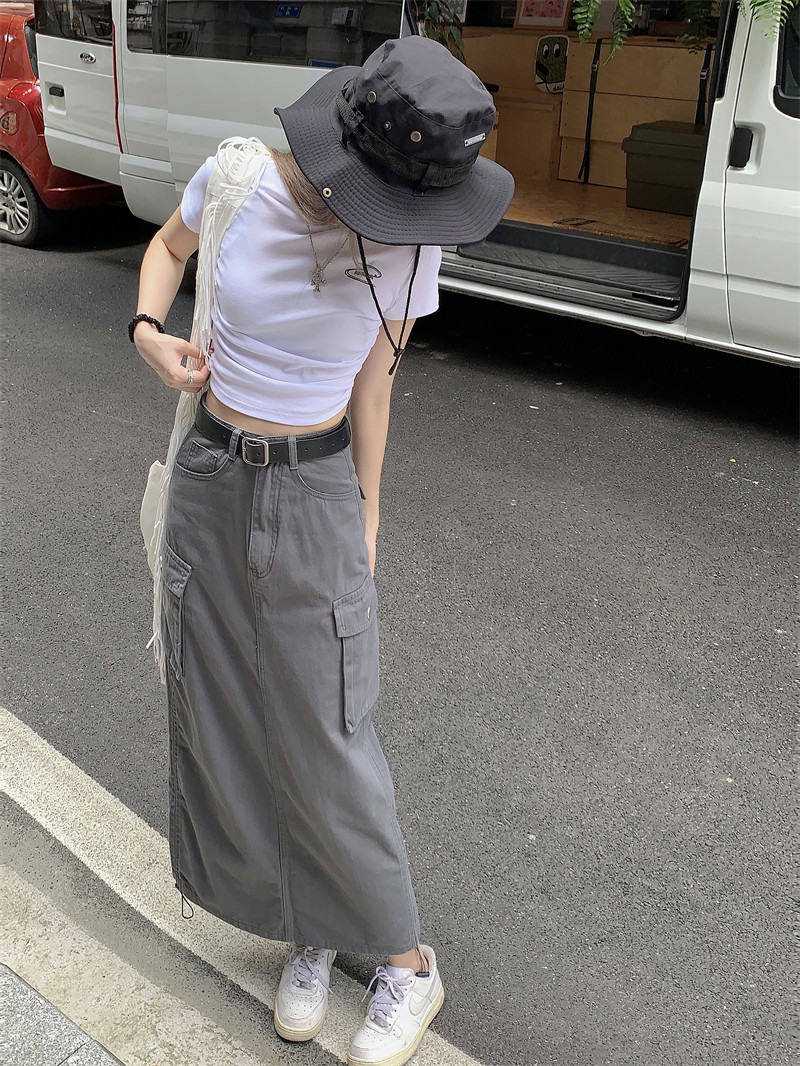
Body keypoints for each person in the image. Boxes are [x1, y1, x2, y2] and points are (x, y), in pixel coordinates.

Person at [130, 36, 513, 1066]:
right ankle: (311, 924)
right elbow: (167, 248)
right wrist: (148, 330)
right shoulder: (237, 178)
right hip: (211, 473)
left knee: (328, 727)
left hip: (315, 488)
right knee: (227, 707)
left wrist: (367, 511)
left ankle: (405, 961)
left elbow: (373, 385)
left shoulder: (413, 240)